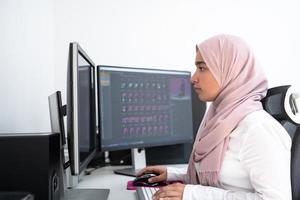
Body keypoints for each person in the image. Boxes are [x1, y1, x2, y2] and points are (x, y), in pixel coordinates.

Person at [137, 34, 292, 200]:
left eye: (202, 68)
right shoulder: (219, 116)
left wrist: (192, 194)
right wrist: (174, 174)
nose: (193, 78)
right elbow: (224, 176)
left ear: (229, 70)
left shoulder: (257, 128)